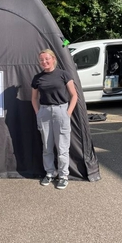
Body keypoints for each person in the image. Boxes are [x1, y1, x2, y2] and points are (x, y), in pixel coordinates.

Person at [31, 49, 78, 189]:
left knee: (62, 147)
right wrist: (38, 113)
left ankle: (63, 176)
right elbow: (33, 98)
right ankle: (50, 173)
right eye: (41, 60)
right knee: (46, 146)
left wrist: (68, 113)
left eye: (47, 59)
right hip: (44, 112)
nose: (44, 62)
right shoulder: (37, 78)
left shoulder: (63, 74)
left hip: (61, 111)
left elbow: (74, 95)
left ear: (53, 59)